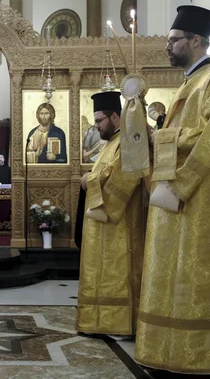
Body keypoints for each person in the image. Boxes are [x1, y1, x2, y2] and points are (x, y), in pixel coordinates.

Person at [135, 5, 210, 378]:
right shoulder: (189, 83)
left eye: (173, 40)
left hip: (201, 201)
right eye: (168, 39)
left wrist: (163, 139)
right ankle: (172, 350)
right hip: (179, 199)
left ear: (196, 41)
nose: (167, 46)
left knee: (194, 277)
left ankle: (200, 356)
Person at [75, 91, 145, 337]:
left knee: (116, 273)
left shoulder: (126, 143)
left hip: (119, 226)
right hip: (103, 226)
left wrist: (88, 179)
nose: (95, 127)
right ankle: (99, 320)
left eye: (99, 121)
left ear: (115, 116)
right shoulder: (110, 144)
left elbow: (123, 178)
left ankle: (117, 322)